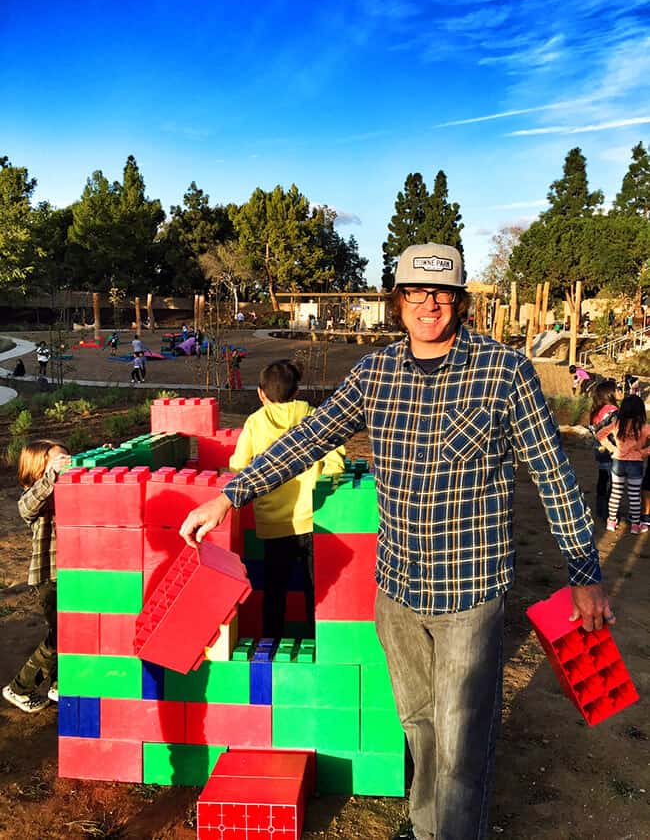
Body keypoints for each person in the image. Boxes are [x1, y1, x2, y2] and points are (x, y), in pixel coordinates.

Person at [179, 242, 611, 840]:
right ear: (398, 301)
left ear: (459, 301)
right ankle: (425, 824)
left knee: (462, 747)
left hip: (470, 594)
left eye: (441, 292)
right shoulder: (376, 374)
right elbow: (308, 439)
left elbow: (553, 474)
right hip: (398, 593)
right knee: (419, 726)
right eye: (415, 291)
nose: (428, 303)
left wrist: (584, 573)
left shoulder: (504, 373)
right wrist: (228, 496)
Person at [229, 360, 345, 638]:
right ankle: (317, 638)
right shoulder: (315, 417)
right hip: (313, 520)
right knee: (314, 588)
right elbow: (336, 464)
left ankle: (271, 641)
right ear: (296, 391)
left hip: (273, 525)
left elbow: (238, 465)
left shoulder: (255, 422)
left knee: (274, 590)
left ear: (261, 393)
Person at [2, 440, 70, 713]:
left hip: (72, 572)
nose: (65, 464)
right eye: (58, 461)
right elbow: (26, 506)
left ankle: (57, 684)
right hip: (49, 576)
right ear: (38, 469)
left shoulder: (68, 493)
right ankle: (20, 688)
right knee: (60, 635)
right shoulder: (36, 497)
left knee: (73, 629)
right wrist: (51, 476)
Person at [600, 394, 650, 535]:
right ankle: (635, 525)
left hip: (618, 462)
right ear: (641, 410)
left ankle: (611, 521)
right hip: (636, 463)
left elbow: (600, 435)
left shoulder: (617, 424)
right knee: (634, 495)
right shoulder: (644, 427)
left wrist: (613, 449)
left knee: (616, 493)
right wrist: (644, 452)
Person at [588, 380, 619, 520]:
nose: (619, 391)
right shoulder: (613, 411)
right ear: (609, 394)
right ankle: (610, 512)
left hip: (600, 450)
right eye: (617, 389)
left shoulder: (597, 411)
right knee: (614, 482)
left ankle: (601, 509)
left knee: (603, 478)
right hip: (611, 450)